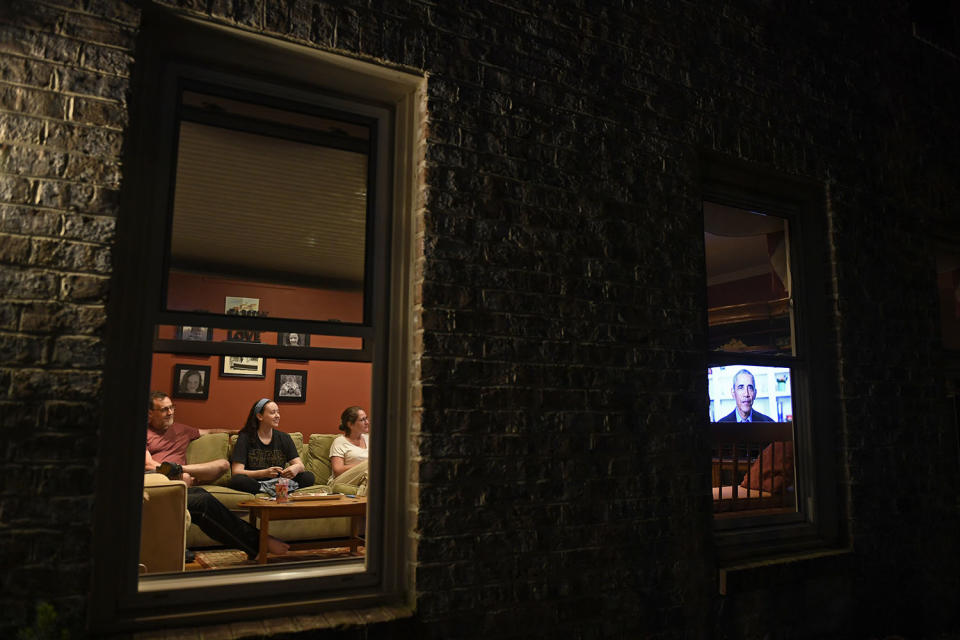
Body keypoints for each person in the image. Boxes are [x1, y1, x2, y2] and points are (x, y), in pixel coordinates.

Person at [144, 449, 289, 559]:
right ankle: (258, 543)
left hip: (160, 483)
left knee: (200, 492)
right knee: (203, 503)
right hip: (149, 488)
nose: (170, 412)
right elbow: (147, 463)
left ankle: (257, 542)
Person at [227, 398, 315, 494]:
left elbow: (301, 466)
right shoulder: (245, 437)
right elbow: (236, 471)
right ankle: (272, 489)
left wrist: (295, 468)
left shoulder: (284, 437)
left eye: (278, 412)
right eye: (273, 412)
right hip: (256, 482)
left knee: (308, 477)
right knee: (237, 480)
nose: (277, 416)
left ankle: (271, 489)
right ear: (260, 416)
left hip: (280, 482)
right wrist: (264, 473)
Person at [147, 391, 235, 486]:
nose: (170, 412)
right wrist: (171, 470)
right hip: (157, 475)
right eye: (164, 409)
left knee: (224, 464)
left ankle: (180, 470)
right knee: (185, 477)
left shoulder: (182, 429)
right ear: (150, 413)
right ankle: (181, 474)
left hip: (183, 474)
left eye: (171, 407)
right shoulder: (143, 433)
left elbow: (209, 431)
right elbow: (148, 464)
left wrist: (236, 431)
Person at [327, 406, 369, 487]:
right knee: (371, 465)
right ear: (350, 424)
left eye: (366, 418)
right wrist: (363, 465)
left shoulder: (370, 439)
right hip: (342, 481)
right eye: (362, 420)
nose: (367, 422)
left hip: (366, 478)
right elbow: (337, 470)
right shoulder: (340, 442)